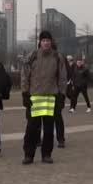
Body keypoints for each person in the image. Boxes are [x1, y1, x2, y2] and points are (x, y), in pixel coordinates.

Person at [21, 30, 68, 164]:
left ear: (51, 42)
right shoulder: (32, 56)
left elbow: (62, 78)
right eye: (43, 40)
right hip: (34, 98)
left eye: (48, 40)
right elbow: (25, 75)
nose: (46, 43)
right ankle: (28, 155)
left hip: (51, 98)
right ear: (40, 42)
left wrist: (62, 96)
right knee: (31, 129)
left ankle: (46, 154)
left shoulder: (57, 57)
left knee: (48, 129)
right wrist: (25, 93)